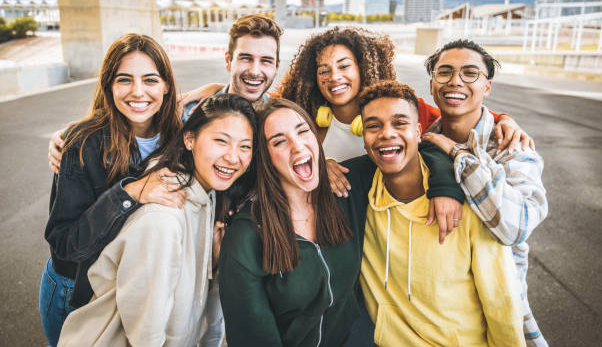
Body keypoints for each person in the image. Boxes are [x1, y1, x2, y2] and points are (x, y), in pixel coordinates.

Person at [218, 98, 464, 346]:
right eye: (279, 141)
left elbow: (411, 150)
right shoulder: (246, 238)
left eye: (303, 131)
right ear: (265, 157)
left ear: (316, 138)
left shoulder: (346, 188)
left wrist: (444, 185)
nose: (297, 146)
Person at [276, 26, 531, 243]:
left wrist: (503, 119)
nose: (335, 77)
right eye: (324, 70)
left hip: (387, 233)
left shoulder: (403, 109)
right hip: (327, 234)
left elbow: (453, 117)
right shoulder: (305, 120)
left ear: (363, 67)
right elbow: (266, 115)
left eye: (344, 66)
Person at [57, 94, 257, 347]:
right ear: (189, 139)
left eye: (245, 146)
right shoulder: (163, 219)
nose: (233, 156)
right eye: (221, 141)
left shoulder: (209, 197)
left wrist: (214, 264)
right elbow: (146, 336)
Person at [40, 34, 186, 346]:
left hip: (136, 289)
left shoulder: (183, 140)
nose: (138, 92)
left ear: (167, 86)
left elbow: (225, 108)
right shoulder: (81, 144)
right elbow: (64, 243)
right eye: (124, 80)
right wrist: (130, 193)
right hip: (75, 289)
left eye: (150, 80)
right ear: (109, 86)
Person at [355, 80, 525, 346]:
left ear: (420, 131)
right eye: (373, 126)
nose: (386, 133)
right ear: (363, 136)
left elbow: (501, 303)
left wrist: (505, 119)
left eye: (400, 123)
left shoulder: (467, 205)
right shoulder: (360, 196)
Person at [421, 39, 548, 346]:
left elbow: (515, 227)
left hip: (497, 310)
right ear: (431, 84)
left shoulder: (513, 148)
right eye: (445, 72)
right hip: (433, 312)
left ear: (487, 86)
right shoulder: (420, 141)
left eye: (469, 73)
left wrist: (457, 154)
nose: (455, 81)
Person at [47, 14, 283, 172]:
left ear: (276, 66)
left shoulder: (280, 120)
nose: (255, 70)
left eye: (265, 61)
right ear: (228, 60)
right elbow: (134, 119)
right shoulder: (189, 112)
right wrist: (74, 136)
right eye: (245, 58)